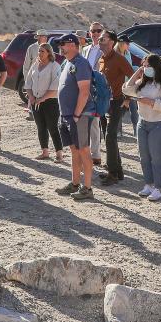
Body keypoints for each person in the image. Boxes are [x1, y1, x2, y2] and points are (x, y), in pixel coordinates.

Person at [122, 54, 161, 201]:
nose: (146, 68)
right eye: (144, 65)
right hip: (143, 122)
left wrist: (151, 103)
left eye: (148, 66)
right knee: (144, 156)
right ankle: (148, 184)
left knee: (157, 157)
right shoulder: (143, 82)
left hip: (160, 123)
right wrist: (138, 72)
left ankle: (158, 187)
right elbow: (127, 89)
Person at [54, 34, 97, 201]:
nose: (60, 47)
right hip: (67, 114)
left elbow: (84, 91)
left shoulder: (81, 63)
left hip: (79, 115)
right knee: (74, 150)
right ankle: (74, 183)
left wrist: (77, 114)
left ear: (73, 45)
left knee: (83, 150)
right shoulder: (68, 63)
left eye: (63, 44)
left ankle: (87, 188)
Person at [99, 30, 133, 184]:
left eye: (103, 39)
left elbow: (133, 78)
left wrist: (128, 99)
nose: (100, 41)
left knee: (110, 136)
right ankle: (118, 171)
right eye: (99, 39)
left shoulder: (119, 59)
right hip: (104, 103)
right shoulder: (101, 59)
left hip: (118, 101)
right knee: (108, 135)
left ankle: (112, 174)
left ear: (112, 42)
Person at [25, 43, 63, 162]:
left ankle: (59, 154)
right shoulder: (35, 65)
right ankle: (45, 152)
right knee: (41, 127)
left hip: (50, 101)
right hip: (35, 101)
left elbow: (55, 87)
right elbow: (28, 82)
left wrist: (43, 98)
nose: (39, 53)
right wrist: (31, 97)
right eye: (39, 51)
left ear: (49, 53)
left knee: (52, 127)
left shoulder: (55, 66)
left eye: (42, 51)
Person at [83, 22, 106, 166]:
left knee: (95, 123)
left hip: (97, 89)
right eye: (93, 31)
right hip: (84, 88)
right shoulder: (85, 49)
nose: (96, 33)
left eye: (98, 31)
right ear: (89, 33)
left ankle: (96, 154)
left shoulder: (105, 50)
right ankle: (86, 153)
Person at [22, 29, 50, 120]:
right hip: (33, 75)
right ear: (38, 37)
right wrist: (27, 79)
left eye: (46, 36)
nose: (45, 38)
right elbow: (26, 64)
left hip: (45, 74)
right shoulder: (32, 48)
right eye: (43, 36)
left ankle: (42, 113)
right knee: (32, 94)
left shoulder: (49, 47)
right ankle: (31, 113)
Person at [118, 35, 139, 136]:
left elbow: (130, 68)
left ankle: (136, 129)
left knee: (133, 107)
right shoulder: (115, 54)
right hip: (118, 85)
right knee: (119, 107)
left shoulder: (128, 53)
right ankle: (118, 130)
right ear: (122, 43)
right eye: (127, 43)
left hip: (129, 84)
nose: (129, 45)